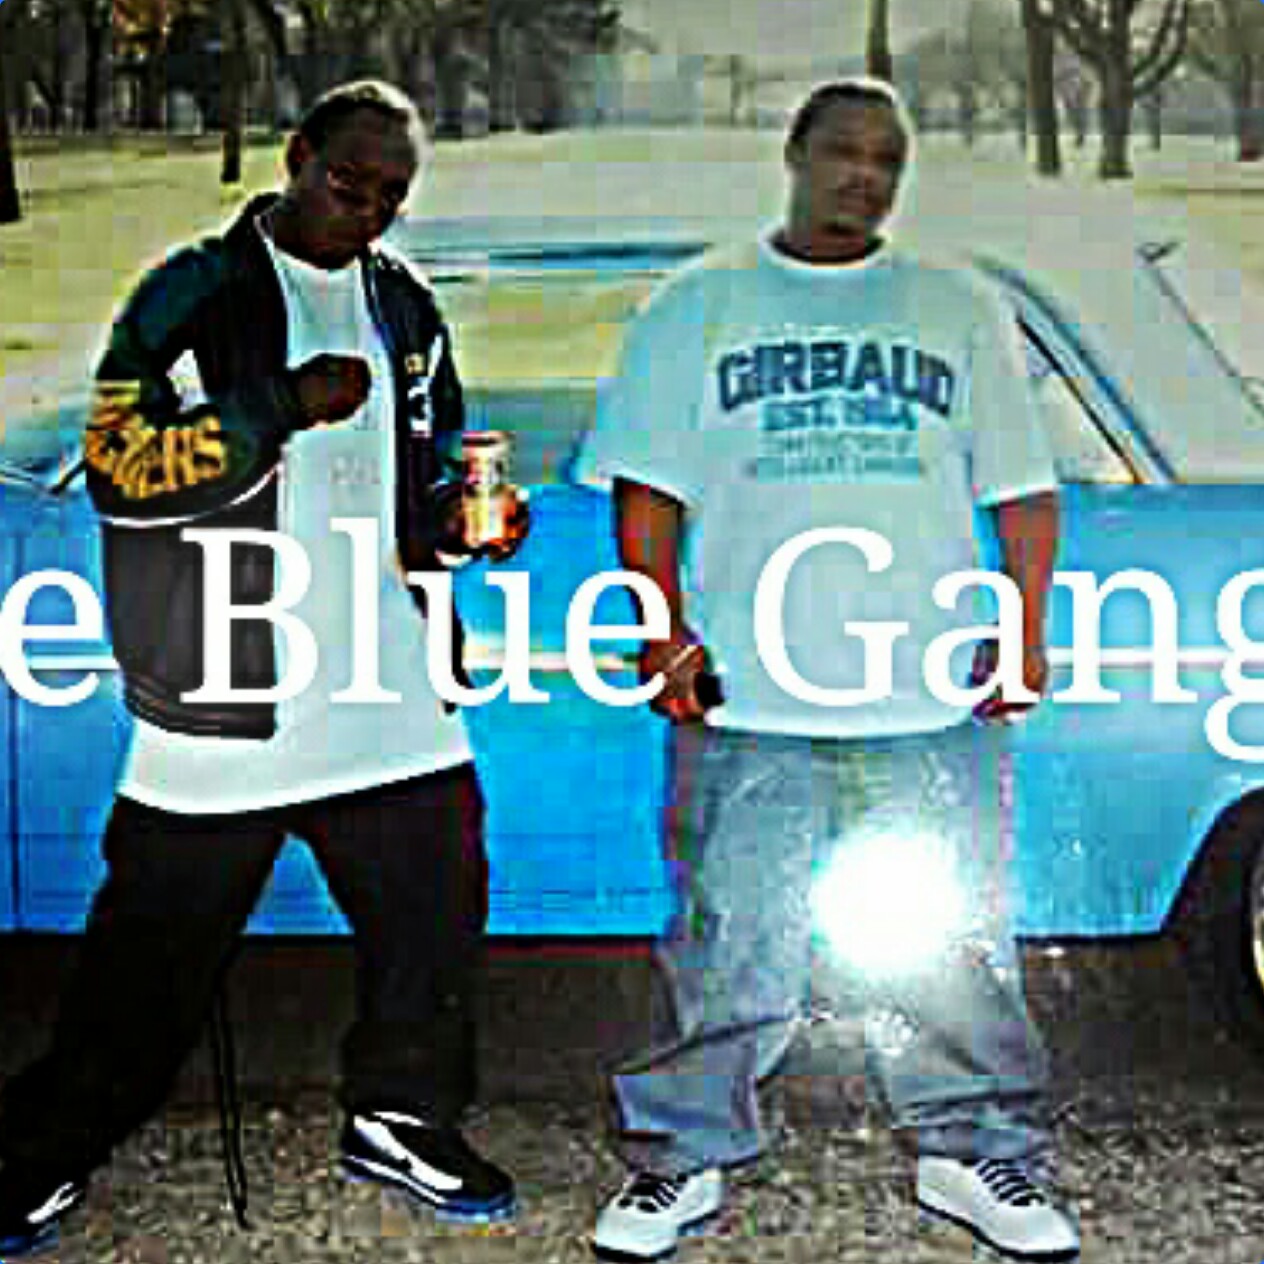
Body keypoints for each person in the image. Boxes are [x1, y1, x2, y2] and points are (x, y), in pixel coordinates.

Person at [0, 80, 528, 1256]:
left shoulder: (404, 304)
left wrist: (464, 520)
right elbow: (119, 461)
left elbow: (429, 469)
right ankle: (36, 1156)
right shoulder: (193, 289)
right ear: (295, 157)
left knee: (434, 914)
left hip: (382, 681)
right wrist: (278, 405)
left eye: (392, 195)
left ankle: (400, 1117)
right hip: (223, 680)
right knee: (149, 968)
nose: (369, 212)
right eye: (350, 184)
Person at [575, 78, 1080, 1263]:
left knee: (951, 932)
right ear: (795, 156)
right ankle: (683, 1155)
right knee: (728, 935)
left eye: (886, 159)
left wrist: (1022, 626)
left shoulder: (956, 305)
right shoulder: (700, 302)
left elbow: (1020, 487)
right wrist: (661, 629)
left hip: (926, 687)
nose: (864, 175)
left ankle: (970, 1146)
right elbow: (649, 488)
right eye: (843, 151)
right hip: (751, 687)